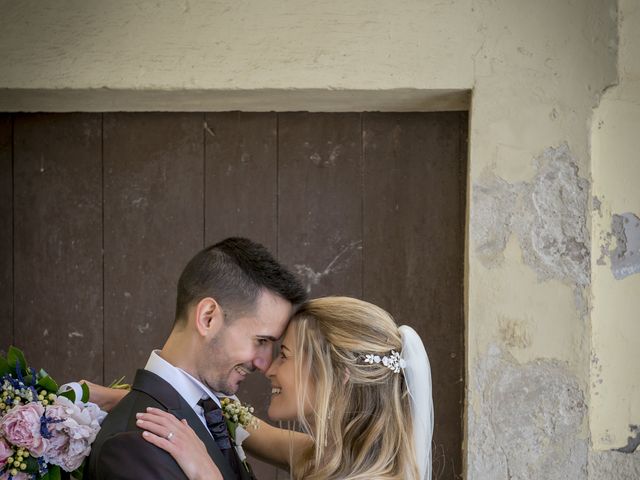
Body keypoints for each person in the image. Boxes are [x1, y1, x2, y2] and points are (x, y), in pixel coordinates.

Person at [92, 297, 434, 480]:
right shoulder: (322, 457)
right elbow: (247, 427)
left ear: (338, 376)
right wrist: (135, 395)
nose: (268, 368)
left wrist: (206, 473)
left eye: (283, 355)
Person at [86, 237, 308, 480]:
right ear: (208, 318)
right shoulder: (134, 446)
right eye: (260, 341)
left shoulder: (214, 412)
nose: (265, 364)